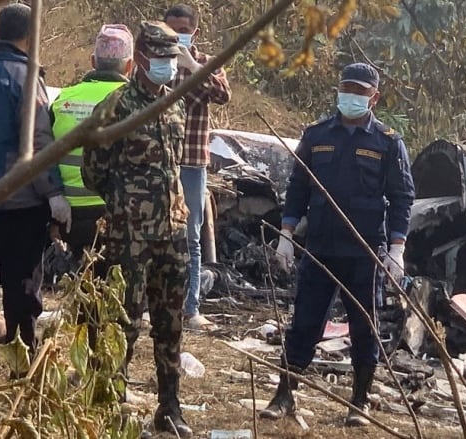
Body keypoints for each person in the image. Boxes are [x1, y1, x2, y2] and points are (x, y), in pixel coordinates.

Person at [261, 63, 415, 426]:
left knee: (365, 327)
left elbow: (402, 197)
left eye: (361, 92)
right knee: (304, 324)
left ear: (374, 97)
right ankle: (285, 395)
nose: (352, 96)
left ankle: (359, 401)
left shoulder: (388, 142)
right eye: (347, 89)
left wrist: (397, 249)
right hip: (320, 248)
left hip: (364, 251)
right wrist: (286, 235)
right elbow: (298, 188)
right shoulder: (316, 136)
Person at [81, 21, 191, 437]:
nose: (168, 66)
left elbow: (176, 165)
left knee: (171, 323)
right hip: (130, 235)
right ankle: (113, 406)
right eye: (160, 58)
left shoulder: (176, 103)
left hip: (173, 231)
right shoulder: (116, 106)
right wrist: (125, 202)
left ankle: (170, 408)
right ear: (141, 59)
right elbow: (94, 171)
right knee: (124, 321)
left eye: (171, 59)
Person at [0, 3, 70, 380]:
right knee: (22, 287)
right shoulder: (24, 76)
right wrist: (55, 195)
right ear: (30, 36)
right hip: (18, 204)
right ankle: (22, 364)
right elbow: (39, 141)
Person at [164, 3, 231, 330]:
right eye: (171, 29)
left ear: (195, 32)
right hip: (159, 161)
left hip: (191, 163)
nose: (177, 36)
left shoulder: (207, 63)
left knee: (190, 235)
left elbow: (222, 94)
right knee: (157, 233)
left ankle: (190, 309)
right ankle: (157, 305)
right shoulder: (154, 63)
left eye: (183, 30)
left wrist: (191, 65)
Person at [50, 24, 133, 258]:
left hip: (66, 214)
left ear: (93, 61)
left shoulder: (62, 99)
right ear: (129, 66)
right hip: (114, 213)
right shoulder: (134, 103)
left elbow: (41, 152)